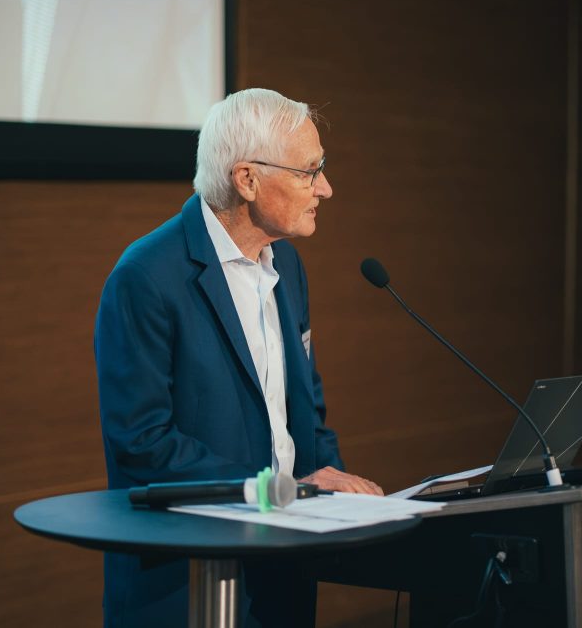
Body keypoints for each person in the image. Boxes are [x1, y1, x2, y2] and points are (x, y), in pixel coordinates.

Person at [95, 88, 383, 627]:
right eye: (308, 171)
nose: (325, 187)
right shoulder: (146, 277)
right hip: (186, 580)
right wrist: (282, 492)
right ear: (247, 179)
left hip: (283, 570)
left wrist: (337, 493)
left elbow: (305, 413)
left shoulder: (288, 266)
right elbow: (143, 444)